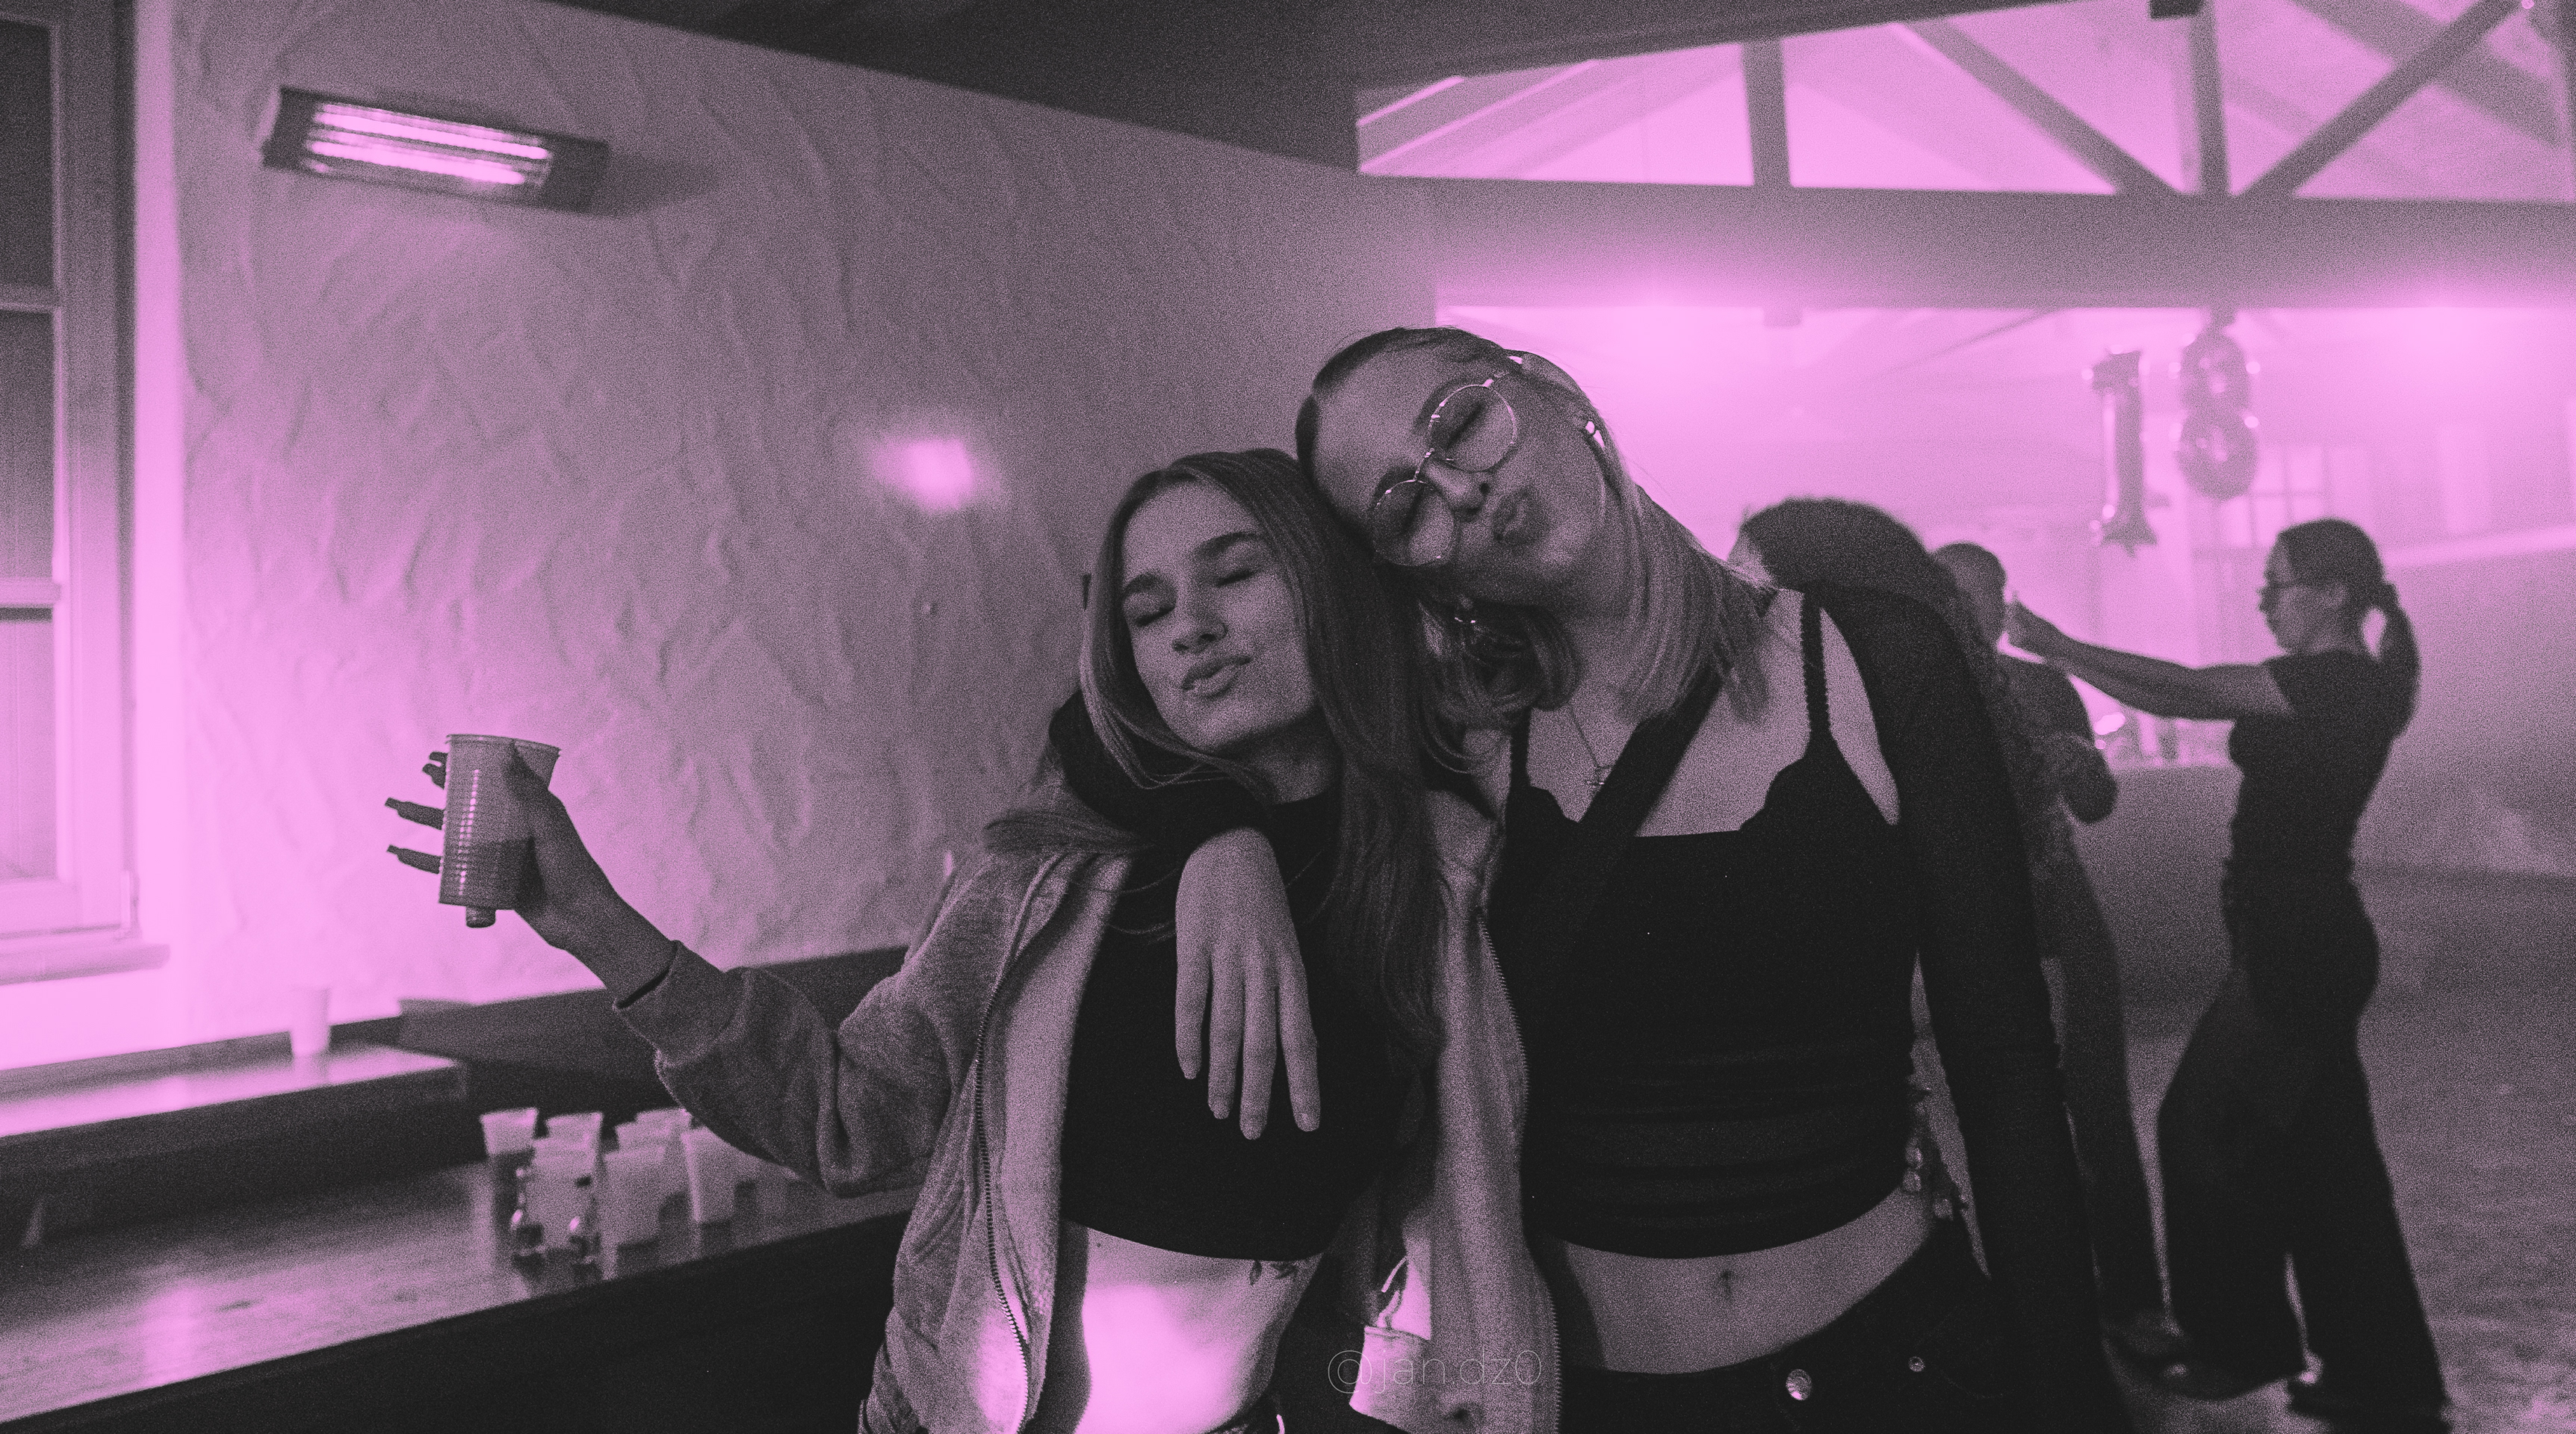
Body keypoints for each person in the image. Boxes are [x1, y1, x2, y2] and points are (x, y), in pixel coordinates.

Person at [1071, 332, 2132, 1433]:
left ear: (1554, 391)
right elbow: (1109, 715)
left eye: (1459, 423)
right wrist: (1217, 840)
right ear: (1406, 568)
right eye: (1404, 505)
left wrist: (2071, 1396)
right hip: (1602, 1401)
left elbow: (2007, 1066)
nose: (1460, 490)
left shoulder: (1870, 658)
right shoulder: (1458, 735)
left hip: (1901, 1369)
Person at [387, 450, 1556, 1434]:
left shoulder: (1443, 867)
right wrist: (598, 924)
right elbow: (846, 1120)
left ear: (1329, 586)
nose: (1191, 630)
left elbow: (1454, 1204)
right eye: (1147, 612)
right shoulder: (1057, 867)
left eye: (1237, 575)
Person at [2007, 518, 2449, 1434]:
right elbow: (2181, 692)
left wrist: (2060, 647)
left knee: (2201, 1127)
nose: (2264, 599)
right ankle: (2382, 1376)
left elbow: (2186, 690)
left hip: (2300, 942)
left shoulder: (2341, 684)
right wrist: (2064, 653)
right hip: (2294, 935)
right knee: (2329, 1165)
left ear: (2334, 592)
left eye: (2278, 583)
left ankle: (2241, 1342)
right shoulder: (2337, 683)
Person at [1728, 502, 2185, 1369]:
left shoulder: (2023, 688)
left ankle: (2122, 1308)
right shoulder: (1858, 685)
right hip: (1956, 945)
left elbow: (2088, 806)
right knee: (1984, 1145)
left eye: (1984, 598)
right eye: (1957, 594)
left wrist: (2080, 766)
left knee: (2083, 1124)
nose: (1972, 613)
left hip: (2045, 922)